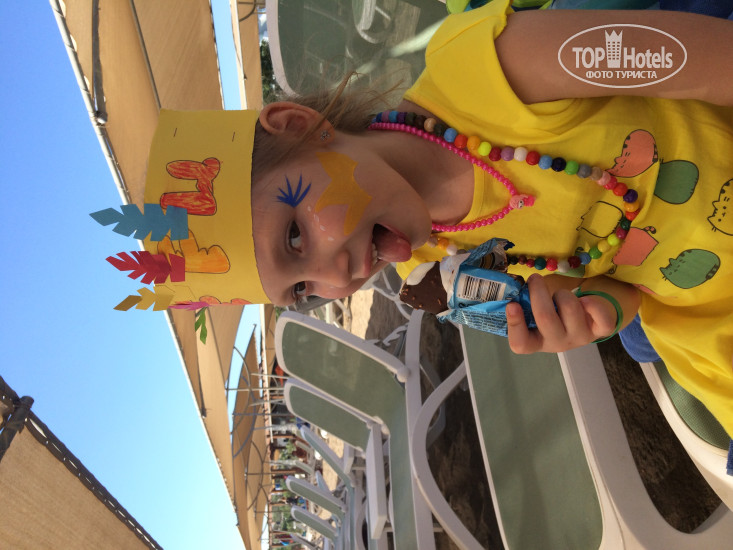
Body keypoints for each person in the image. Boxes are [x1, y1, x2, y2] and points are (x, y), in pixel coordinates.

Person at [96, 2, 733, 435]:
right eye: (303, 289)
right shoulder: (442, 277)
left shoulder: (487, 75)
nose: (336, 277)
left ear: (297, 125)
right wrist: (594, 313)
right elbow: (629, 292)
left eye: (294, 235)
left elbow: (703, 56)